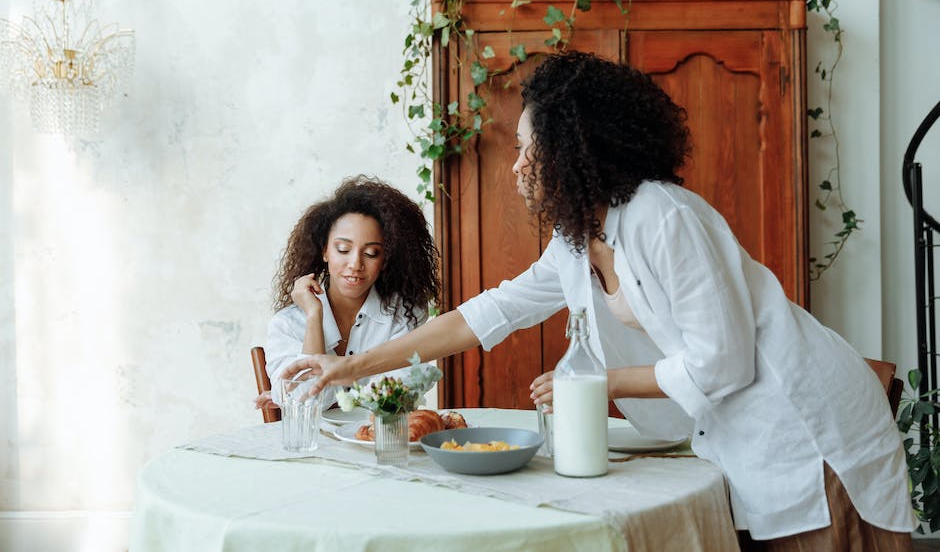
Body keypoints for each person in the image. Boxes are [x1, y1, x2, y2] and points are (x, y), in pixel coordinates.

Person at [282, 53, 916, 549]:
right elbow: (488, 314)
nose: (518, 165)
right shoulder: (578, 237)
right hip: (739, 439)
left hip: (806, 427)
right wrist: (351, 366)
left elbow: (724, 363)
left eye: (531, 148)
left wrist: (593, 382)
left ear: (575, 149)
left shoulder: (659, 216)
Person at [256, 175, 440, 411]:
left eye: (372, 253)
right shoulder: (289, 323)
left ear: (385, 260)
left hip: (379, 443)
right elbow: (306, 405)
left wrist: (333, 390)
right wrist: (314, 316)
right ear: (324, 251)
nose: (355, 264)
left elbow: (396, 398)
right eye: (343, 249)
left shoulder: (404, 316)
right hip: (316, 446)